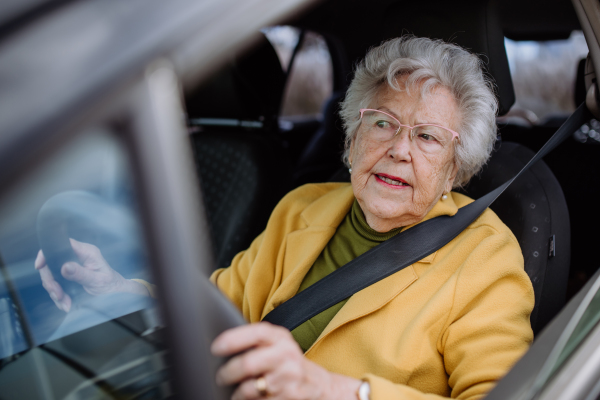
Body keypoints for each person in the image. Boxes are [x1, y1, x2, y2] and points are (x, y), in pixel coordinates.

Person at [36, 36, 534, 400]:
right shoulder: (303, 207)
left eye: (427, 137)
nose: (399, 149)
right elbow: (217, 307)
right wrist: (124, 293)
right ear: (351, 140)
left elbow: (508, 395)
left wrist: (338, 391)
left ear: (455, 170)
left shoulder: (484, 255)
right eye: (382, 122)